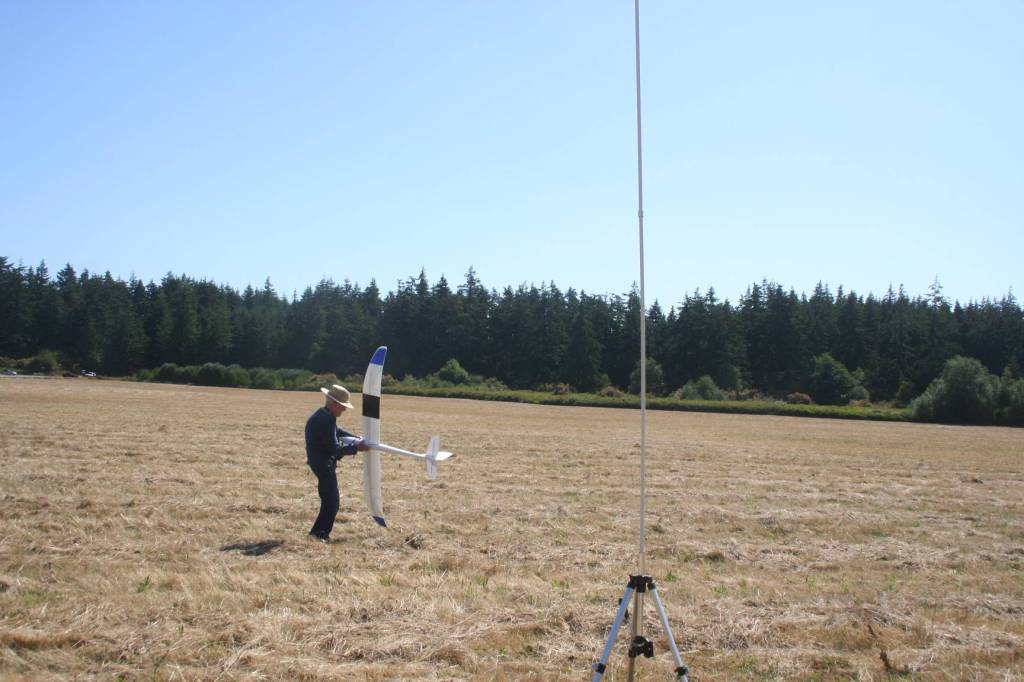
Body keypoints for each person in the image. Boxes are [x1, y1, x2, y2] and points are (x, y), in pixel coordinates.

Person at [305, 384, 369, 543]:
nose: (344, 410)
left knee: (330, 500)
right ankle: (319, 535)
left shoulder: (325, 415)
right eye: (343, 407)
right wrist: (356, 447)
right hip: (323, 464)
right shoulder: (324, 420)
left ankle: (318, 533)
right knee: (331, 502)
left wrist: (355, 438)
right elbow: (334, 448)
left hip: (321, 462)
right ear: (334, 404)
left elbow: (337, 431)